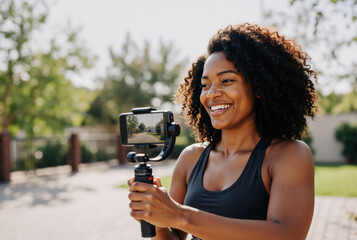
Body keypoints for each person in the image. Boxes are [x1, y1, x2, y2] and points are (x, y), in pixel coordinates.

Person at [128, 23, 318, 240]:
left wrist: (177, 214)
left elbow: (287, 235)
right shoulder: (191, 158)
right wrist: (157, 219)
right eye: (205, 84)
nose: (212, 94)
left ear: (258, 87)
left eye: (226, 81)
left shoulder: (289, 155)